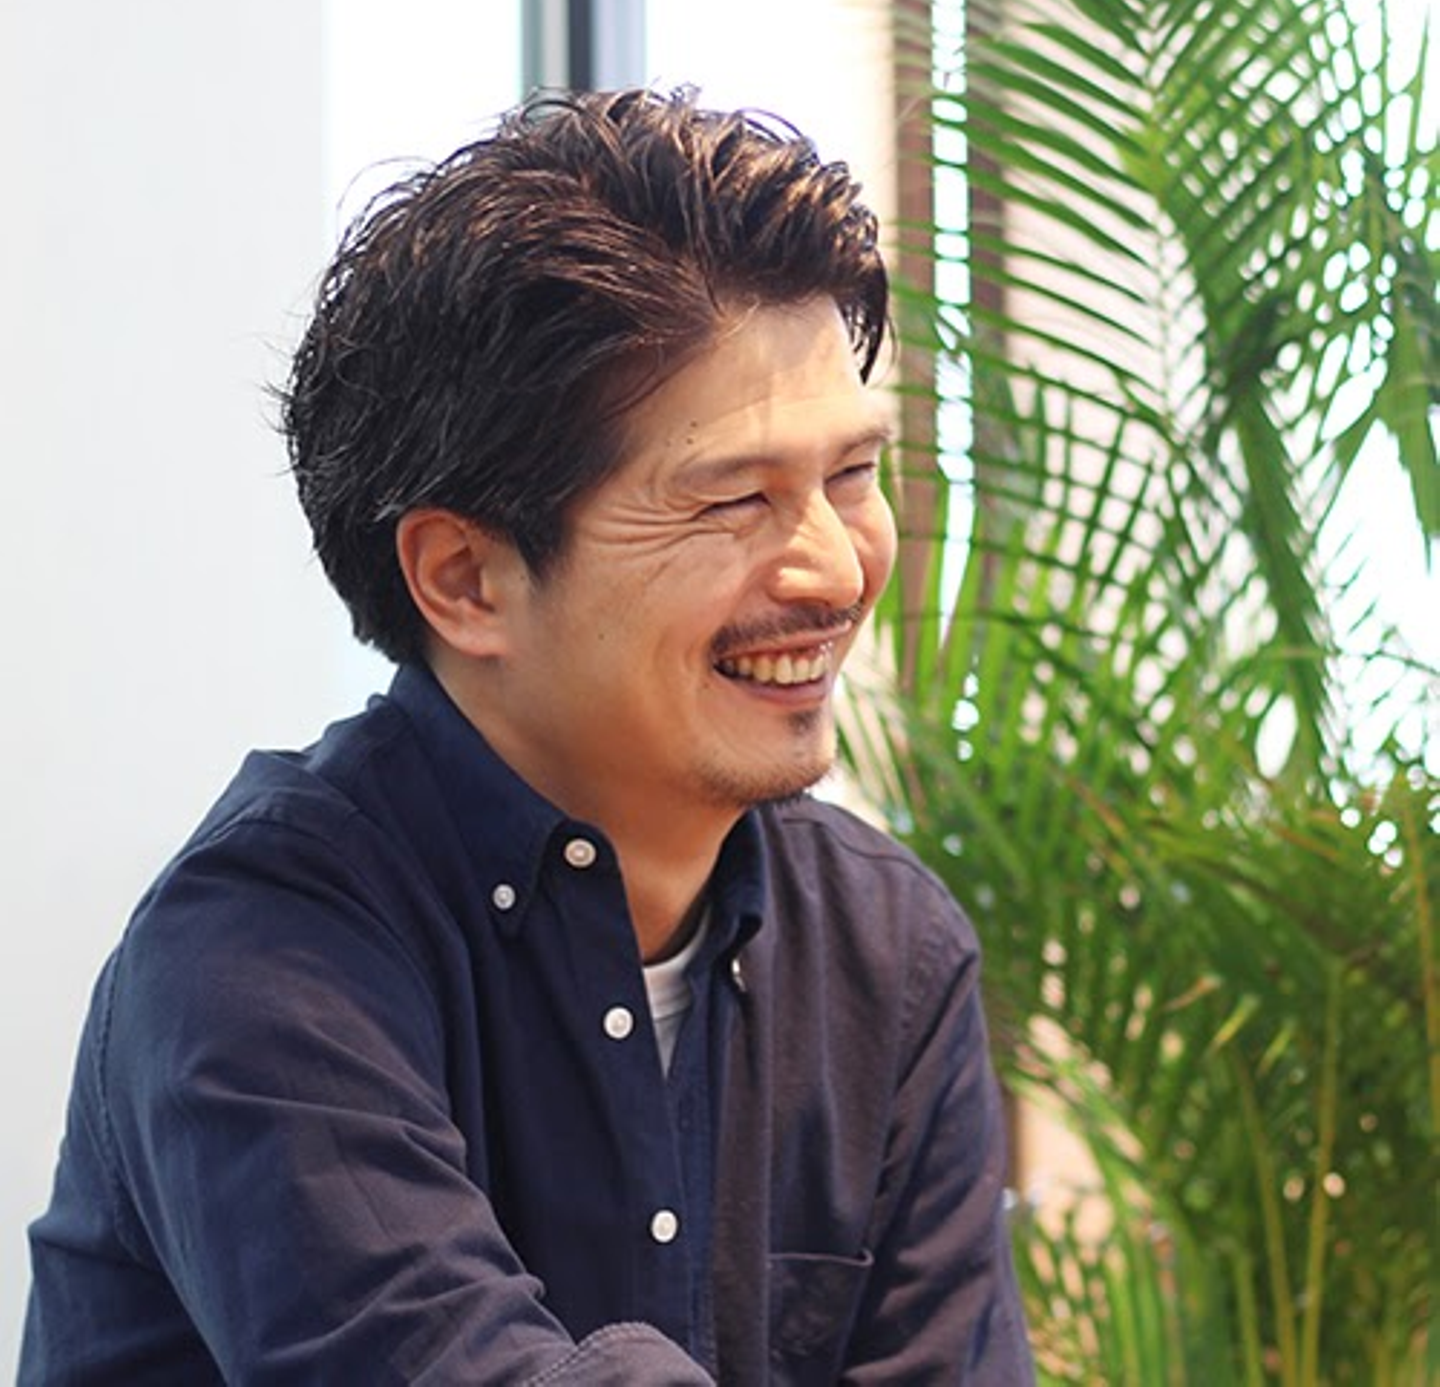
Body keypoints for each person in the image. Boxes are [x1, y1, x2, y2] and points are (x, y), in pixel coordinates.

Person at [21, 88, 1034, 1384]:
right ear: (465, 579)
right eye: (733, 500)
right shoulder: (263, 953)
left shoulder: (888, 954)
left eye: (850, 476)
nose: (837, 569)